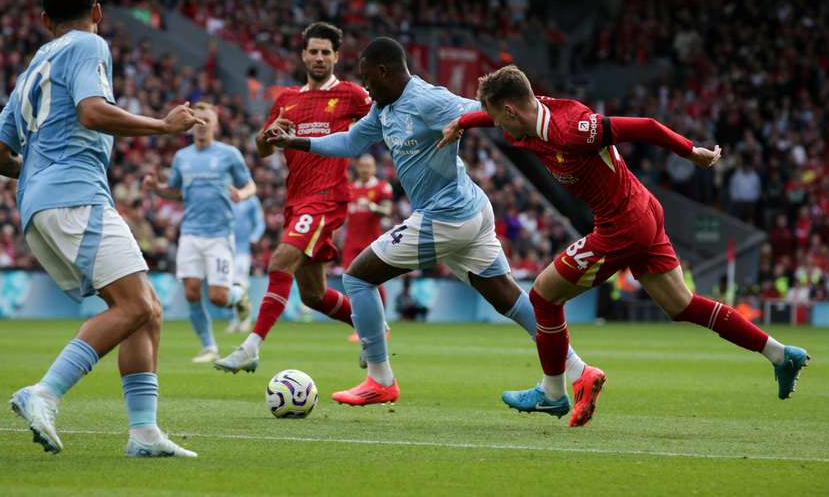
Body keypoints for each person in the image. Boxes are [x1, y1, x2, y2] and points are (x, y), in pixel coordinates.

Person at [267, 38, 605, 427]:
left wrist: (534, 114)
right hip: (471, 209)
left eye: (366, 78)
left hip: (447, 216)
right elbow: (351, 142)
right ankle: (578, 373)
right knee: (506, 297)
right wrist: (296, 142)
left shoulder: (427, 100)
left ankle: (379, 378)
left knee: (357, 277)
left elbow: (488, 109)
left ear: (384, 71)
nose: (365, 88)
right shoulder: (384, 107)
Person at [440, 64, 809, 412]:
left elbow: (645, 126)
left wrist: (689, 151)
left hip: (623, 225)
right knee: (681, 305)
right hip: (642, 208)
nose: (500, 128)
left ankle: (552, 392)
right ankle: (780, 354)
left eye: (500, 118)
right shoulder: (526, 116)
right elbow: (491, 115)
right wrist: (462, 122)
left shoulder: (572, 128)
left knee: (542, 295)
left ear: (512, 111)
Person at [0, 0, 199, 457]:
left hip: (41, 204)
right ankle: (43, 393)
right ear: (96, 12)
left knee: (148, 311)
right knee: (136, 306)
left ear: (43, 21)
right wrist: (164, 127)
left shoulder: (30, 72)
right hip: (75, 196)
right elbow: (93, 112)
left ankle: (143, 434)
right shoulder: (87, 45)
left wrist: (37, 174)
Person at [214, 22, 371, 374]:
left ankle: (251, 346)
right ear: (303, 55)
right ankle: (371, 329)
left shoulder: (351, 95)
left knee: (279, 261)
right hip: (296, 200)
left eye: (325, 52)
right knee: (313, 295)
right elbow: (263, 149)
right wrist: (267, 135)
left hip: (327, 196)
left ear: (335, 57)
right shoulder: (287, 98)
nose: (318, 57)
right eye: (313, 51)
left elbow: (383, 118)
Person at [142, 102, 256, 362]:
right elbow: (175, 192)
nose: (202, 124)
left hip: (219, 235)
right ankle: (209, 347)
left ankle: (240, 296)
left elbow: (250, 185)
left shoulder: (229, 154)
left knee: (218, 298)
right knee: (192, 291)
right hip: (191, 233)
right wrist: (156, 187)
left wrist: (243, 194)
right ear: (191, 124)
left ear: (215, 125)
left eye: (207, 120)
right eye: (198, 120)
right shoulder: (183, 157)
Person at [342, 153, 393, 341]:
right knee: (352, 286)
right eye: (362, 166)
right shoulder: (349, 189)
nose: (364, 169)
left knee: (375, 284)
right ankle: (361, 327)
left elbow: (387, 211)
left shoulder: (381, 187)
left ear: (373, 168)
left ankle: (382, 325)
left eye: (368, 166)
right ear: (357, 168)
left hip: (372, 243)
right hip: (351, 245)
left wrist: (372, 207)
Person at [227, 194, 266, 333]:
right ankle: (236, 318)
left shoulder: (251, 199)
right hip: (224, 247)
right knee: (228, 285)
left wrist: (254, 238)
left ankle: (244, 319)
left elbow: (260, 222)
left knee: (240, 283)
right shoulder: (225, 195)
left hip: (243, 249)